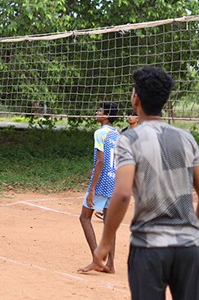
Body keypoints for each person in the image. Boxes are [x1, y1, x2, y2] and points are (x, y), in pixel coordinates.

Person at [91, 66, 199, 299]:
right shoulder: (186, 139)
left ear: (135, 98)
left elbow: (123, 194)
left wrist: (105, 243)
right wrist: (193, 237)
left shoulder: (129, 139)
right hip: (189, 249)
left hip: (149, 247)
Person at [78, 101, 120, 273]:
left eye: (100, 110)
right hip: (115, 180)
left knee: (84, 218)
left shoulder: (100, 133)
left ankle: (97, 260)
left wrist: (93, 188)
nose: (97, 112)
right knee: (109, 223)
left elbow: (101, 161)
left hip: (102, 182)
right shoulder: (117, 133)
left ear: (106, 115)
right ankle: (110, 264)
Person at [95, 110, 138, 221]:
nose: (130, 117)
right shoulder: (124, 132)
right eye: (129, 114)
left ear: (138, 118)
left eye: (133, 115)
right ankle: (108, 211)